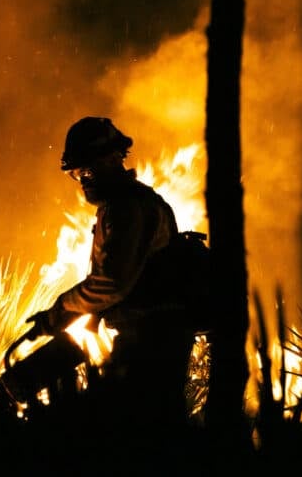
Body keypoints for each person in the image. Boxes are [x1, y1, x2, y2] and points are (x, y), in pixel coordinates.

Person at [26, 116, 195, 434]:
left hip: (151, 341)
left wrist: (61, 309)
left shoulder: (127, 208)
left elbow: (111, 283)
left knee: (127, 431)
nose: (82, 179)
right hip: (153, 336)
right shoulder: (128, 204)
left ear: (114, 159)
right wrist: (65, 319)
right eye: (76, 173)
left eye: (88, 169)